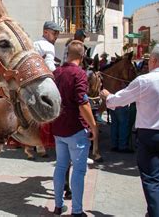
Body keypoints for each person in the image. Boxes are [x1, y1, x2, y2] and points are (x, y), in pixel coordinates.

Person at [100, 44, 159, 217]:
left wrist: (107, 96)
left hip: (149, 136)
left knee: (152, 181)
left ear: (153, 60)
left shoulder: (144, 80)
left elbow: (118, 100)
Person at [51, 40, 98, 217]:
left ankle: (57, 206)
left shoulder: (56, 72)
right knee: (78, 170)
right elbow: (83, 103)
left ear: (68, 54)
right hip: (76, 129)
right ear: (82, 56)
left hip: (58, 128)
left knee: (61, 167)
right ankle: (77, 211)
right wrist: (94, 127)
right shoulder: (79, 74)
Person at [26, 21, 62, 159]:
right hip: (41, 82)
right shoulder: (47, 46)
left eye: (57, 33)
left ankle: (30, 146)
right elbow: (50, 67)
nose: (56, 36)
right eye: (54, 33)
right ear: (46, 32)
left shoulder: (34, 44)